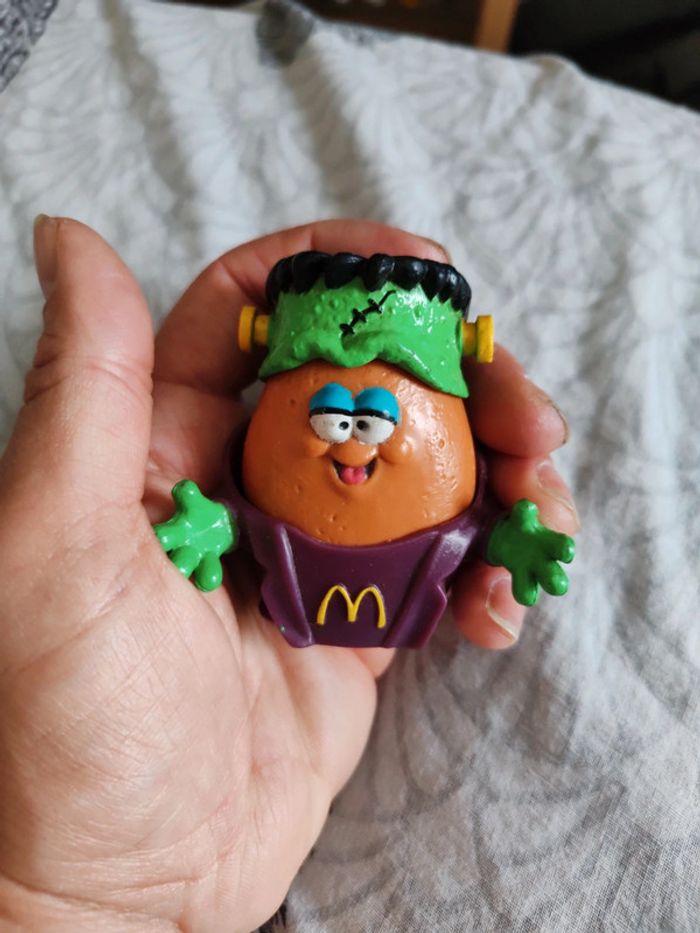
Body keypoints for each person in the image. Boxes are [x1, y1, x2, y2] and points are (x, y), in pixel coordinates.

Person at [0, 217, 578, 931]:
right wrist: (208, 528)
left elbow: (483, 528)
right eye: (327, 408)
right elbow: (237, 515)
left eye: (387, 405)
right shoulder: (258, 468)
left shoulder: (451, 490)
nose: (353, 440)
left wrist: (515, 542)